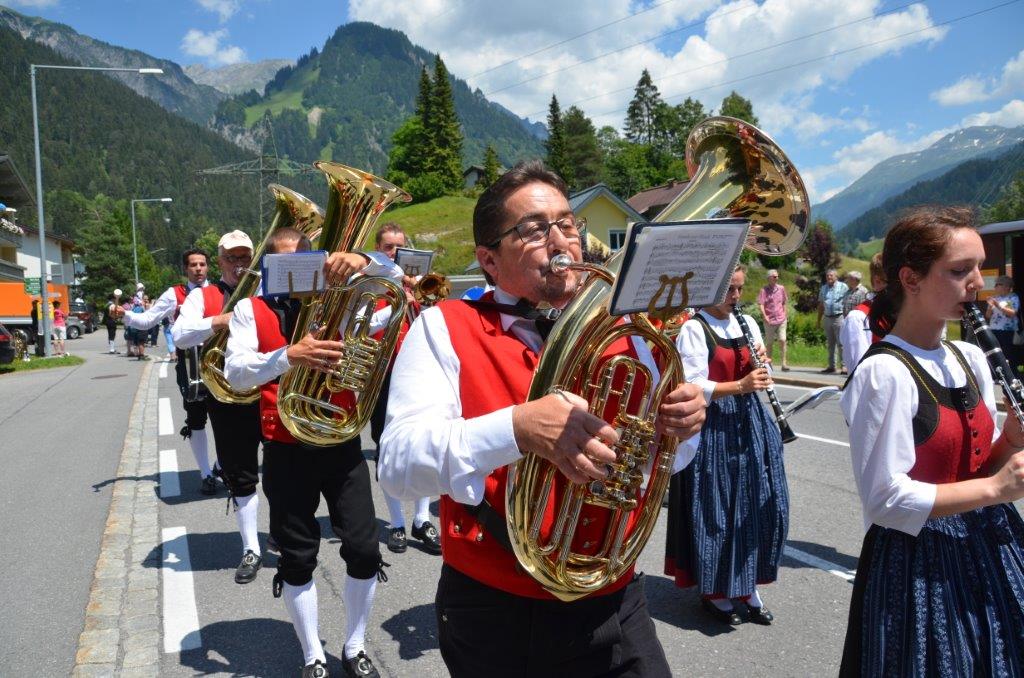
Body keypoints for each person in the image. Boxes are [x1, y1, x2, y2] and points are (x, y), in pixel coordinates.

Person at [378, 161, 707, 677]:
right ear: (489, 260)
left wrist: (676, 431)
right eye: (533, 230)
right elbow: (398, 467)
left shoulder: (628, 333)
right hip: (496, 611)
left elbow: (657, 466)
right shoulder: (443, 327)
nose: (561, 241)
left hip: (614, 595)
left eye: (567, 224)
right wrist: (517, 428)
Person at [839, 206, 1024, 676]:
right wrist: (997, 489)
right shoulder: (884, 373)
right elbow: (885, 500)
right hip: (920, 563)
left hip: (990, 541)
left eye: (979, 268)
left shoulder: (969, 357)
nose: (977, 283)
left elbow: (980, 467)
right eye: (960, 271)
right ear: (911, 279)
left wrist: (1010, 439)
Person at [225, 226, 400, 678]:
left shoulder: (341, 302)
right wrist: (289, 356)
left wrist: (365, 261)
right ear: (271, 265)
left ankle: (355, 645)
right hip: (286, 448)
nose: (299, 270)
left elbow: (398, 279)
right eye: (288, 262)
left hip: (341, 442)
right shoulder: (250, 309)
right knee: (298, 557)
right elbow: (236, 373)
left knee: (364, 550)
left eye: (306, 259)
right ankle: (312, 656)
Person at [665, 265, 788, 626]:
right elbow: (692, 385)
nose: (736, 297)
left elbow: (758, 373)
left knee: (758, 504)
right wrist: (740, 385)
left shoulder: (746, 322)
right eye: (729, 290)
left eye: (739, 289)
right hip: (713, 425)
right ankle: (716, 592)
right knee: (717, 506)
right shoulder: (694, 328)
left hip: (749, 420)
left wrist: (762, 367)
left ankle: (748, 587)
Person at [173, 233, 266, 584]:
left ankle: (284, 534)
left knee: (284, 471)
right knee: (240, 475)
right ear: (221, 260)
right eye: (231, 258)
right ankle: (251, 547)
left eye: (244, 257)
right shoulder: (203, 295)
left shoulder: (265, 290)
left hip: (269, 391)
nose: (239, 264)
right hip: (227, 397)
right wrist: (218, 321)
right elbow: (180, 335)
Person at [369, 222, 441, 556]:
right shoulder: (370, 286)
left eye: (400, 246)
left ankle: (422, 519)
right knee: (386, 448)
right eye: (388, 246)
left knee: (423, 444)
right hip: (382, 375)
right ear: (377, 250)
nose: (395, 252)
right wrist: (398, 303)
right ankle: (396, 522)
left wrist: (423, 299)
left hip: (417, 372)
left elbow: (437, 322)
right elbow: (363, 326)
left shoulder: (419, 283)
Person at [130, 249, 214, 490]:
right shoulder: (174, 294)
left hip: (218, 362)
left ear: (208, 267)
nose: (198, 268)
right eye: (193, 265)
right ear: (185, 269)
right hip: (189, 364)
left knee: (230, 420)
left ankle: (222, 468)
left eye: (202, 264)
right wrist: (124, 315)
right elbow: (148, 320)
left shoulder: (218, 291)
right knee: (196, 419)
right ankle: (206, 474)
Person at [840, 255, 886, 370]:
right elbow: (860, 371)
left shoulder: (862, 291)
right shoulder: (857, 318)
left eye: (850, 279)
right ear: (877, 281)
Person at [985, 274, 1021, 379]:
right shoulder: (995, 298)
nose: (995, 287)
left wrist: (997, 305)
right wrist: (990, 307)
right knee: (994, 352)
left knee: (1007, 354)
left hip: (1007, 331)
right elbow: (988, 316)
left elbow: (1012, 313)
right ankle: (995, 375)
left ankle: (1010, 376)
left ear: (1006, 286)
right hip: (994, 329)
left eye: (997, 284)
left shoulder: (1013, 297)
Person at [817, 268, 848, 373]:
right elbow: (821, 305)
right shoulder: (823, 288)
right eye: (827, 276)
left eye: (831, 275)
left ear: (836, 276)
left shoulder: (843, 287)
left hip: (839, 317)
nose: (829, 277)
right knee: (830, 344)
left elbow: (847, 302)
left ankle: (844, 366)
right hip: (827, 318)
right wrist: (818, 320)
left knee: (841, 343)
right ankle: (831, 366)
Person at [757, 268, 789, 370]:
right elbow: (761, 304)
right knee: (769, 343)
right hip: (769, 320)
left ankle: (784, 363)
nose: (776, 278)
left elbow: (784, 302)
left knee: (782, 340)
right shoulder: (764, 290)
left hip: (781, 319)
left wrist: (785, 314)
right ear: (769, 278)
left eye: (777, 276)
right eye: (774, 276)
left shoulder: (781, 288)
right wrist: (765, 316)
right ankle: (769, 363)